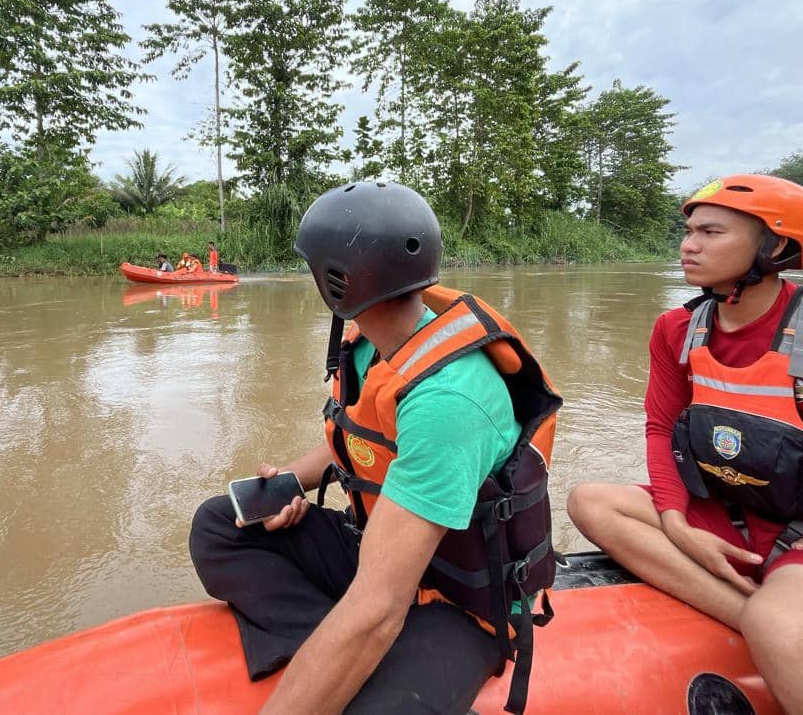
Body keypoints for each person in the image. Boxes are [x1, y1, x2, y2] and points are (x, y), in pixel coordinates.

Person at [188, 182, 562, 714]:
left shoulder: (447, 399)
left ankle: (365, 661)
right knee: (220, 526)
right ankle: (331, 651)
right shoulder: (370, 342)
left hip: (458, 599)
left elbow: (379, 602)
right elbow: (359, 439)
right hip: (382, 545)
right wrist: (290, 483)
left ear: (336, 281)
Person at [567, 174, 803, 715]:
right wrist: (676, 524)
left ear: (776, 246)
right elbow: (661, 428)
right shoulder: (677, 329)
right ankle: (758, 617)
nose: (688, 245)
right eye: (688, 231)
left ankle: (787, 633)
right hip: (741, 518)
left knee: (784, 631)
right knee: (590, 501)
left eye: (711, 233)